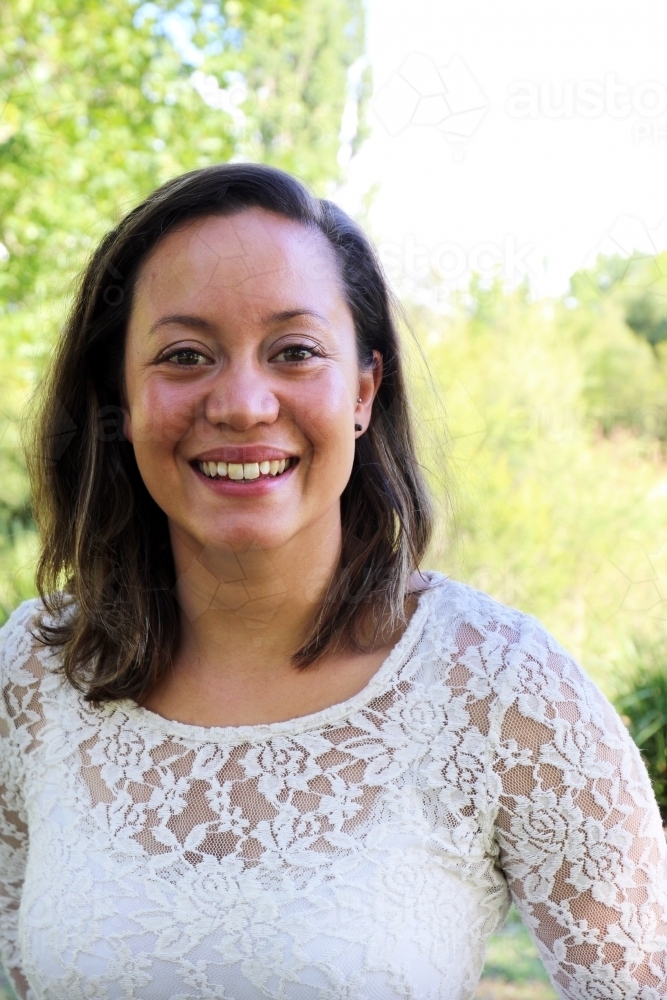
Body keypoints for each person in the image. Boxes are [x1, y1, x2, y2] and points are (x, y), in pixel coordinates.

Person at [0, 163, 665, 1000]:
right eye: (183, 355)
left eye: (295, 352)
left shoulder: (503, 693)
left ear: (362, 389)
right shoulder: (32, 675)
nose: (242, 402)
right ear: (119, 400)